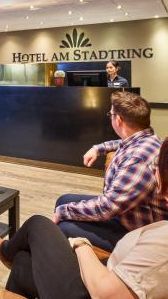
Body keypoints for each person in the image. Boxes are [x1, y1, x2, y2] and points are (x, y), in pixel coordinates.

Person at [0, 140, 168, 299]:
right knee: (21, 262)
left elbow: (106, 298)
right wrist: (98, 148)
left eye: (156, 167)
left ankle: (5, 251)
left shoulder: (163, 242)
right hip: (108, 275)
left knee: (39, 224)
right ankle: (11, 255)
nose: (152, 170)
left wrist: (81, 245)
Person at [54, 91, 166, 251]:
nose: (110, 117)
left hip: (138, 233)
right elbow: (122, 142)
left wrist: (63, 212)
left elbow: (106, 208)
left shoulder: (137, 159)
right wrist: (98, 148)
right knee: (64, 199)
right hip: (128, 212)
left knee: (64, 224)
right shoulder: (148, 139)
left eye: (111, 114)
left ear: (119, 120)